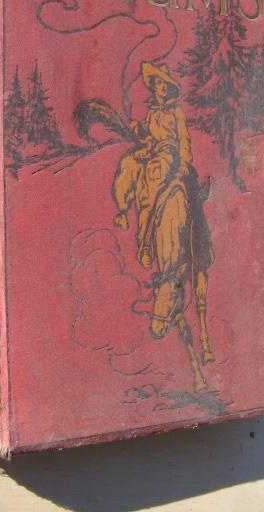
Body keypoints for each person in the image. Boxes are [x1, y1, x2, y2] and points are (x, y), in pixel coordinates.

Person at [113, 62, 215, 391]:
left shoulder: (175, 113)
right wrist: (139, 132)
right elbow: (149, 136)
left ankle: (197, 242)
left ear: (170, 90)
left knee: (178, 192)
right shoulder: (153, 114)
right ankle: (142, 233)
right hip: (154, 157)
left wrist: (182, 165)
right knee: (135, 173)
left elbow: (182, 142)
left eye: (163, 86)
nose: (158, 90)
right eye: (155, 86)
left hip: (172, 161)